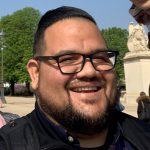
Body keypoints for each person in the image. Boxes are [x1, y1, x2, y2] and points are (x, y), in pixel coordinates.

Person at [0, 6, 150, 150]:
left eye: (100, 58)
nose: (89, 71)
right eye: (67, 59)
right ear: (35, 73)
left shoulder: (144, 135)